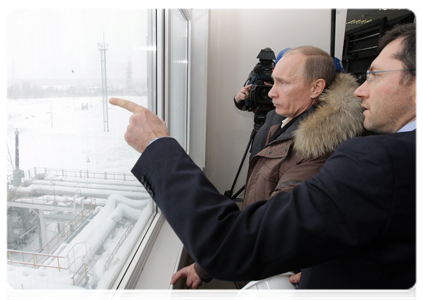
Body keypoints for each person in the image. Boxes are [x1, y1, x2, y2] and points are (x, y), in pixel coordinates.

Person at [109, 21, 419, 299]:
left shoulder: (340, 152)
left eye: (375, 76)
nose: (361, 91)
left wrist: (157, 147)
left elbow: (253, 237)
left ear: (316, 88)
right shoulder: (275, 119)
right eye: (273, 81)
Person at [171, 46, 365, 295]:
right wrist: (203, 268)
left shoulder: (320, 150)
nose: (271, 92)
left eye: (283, 83)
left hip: (271, 280)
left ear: (316, 88)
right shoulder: (289, 121)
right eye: (272, 81)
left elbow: (268, 232)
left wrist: (207, 264)